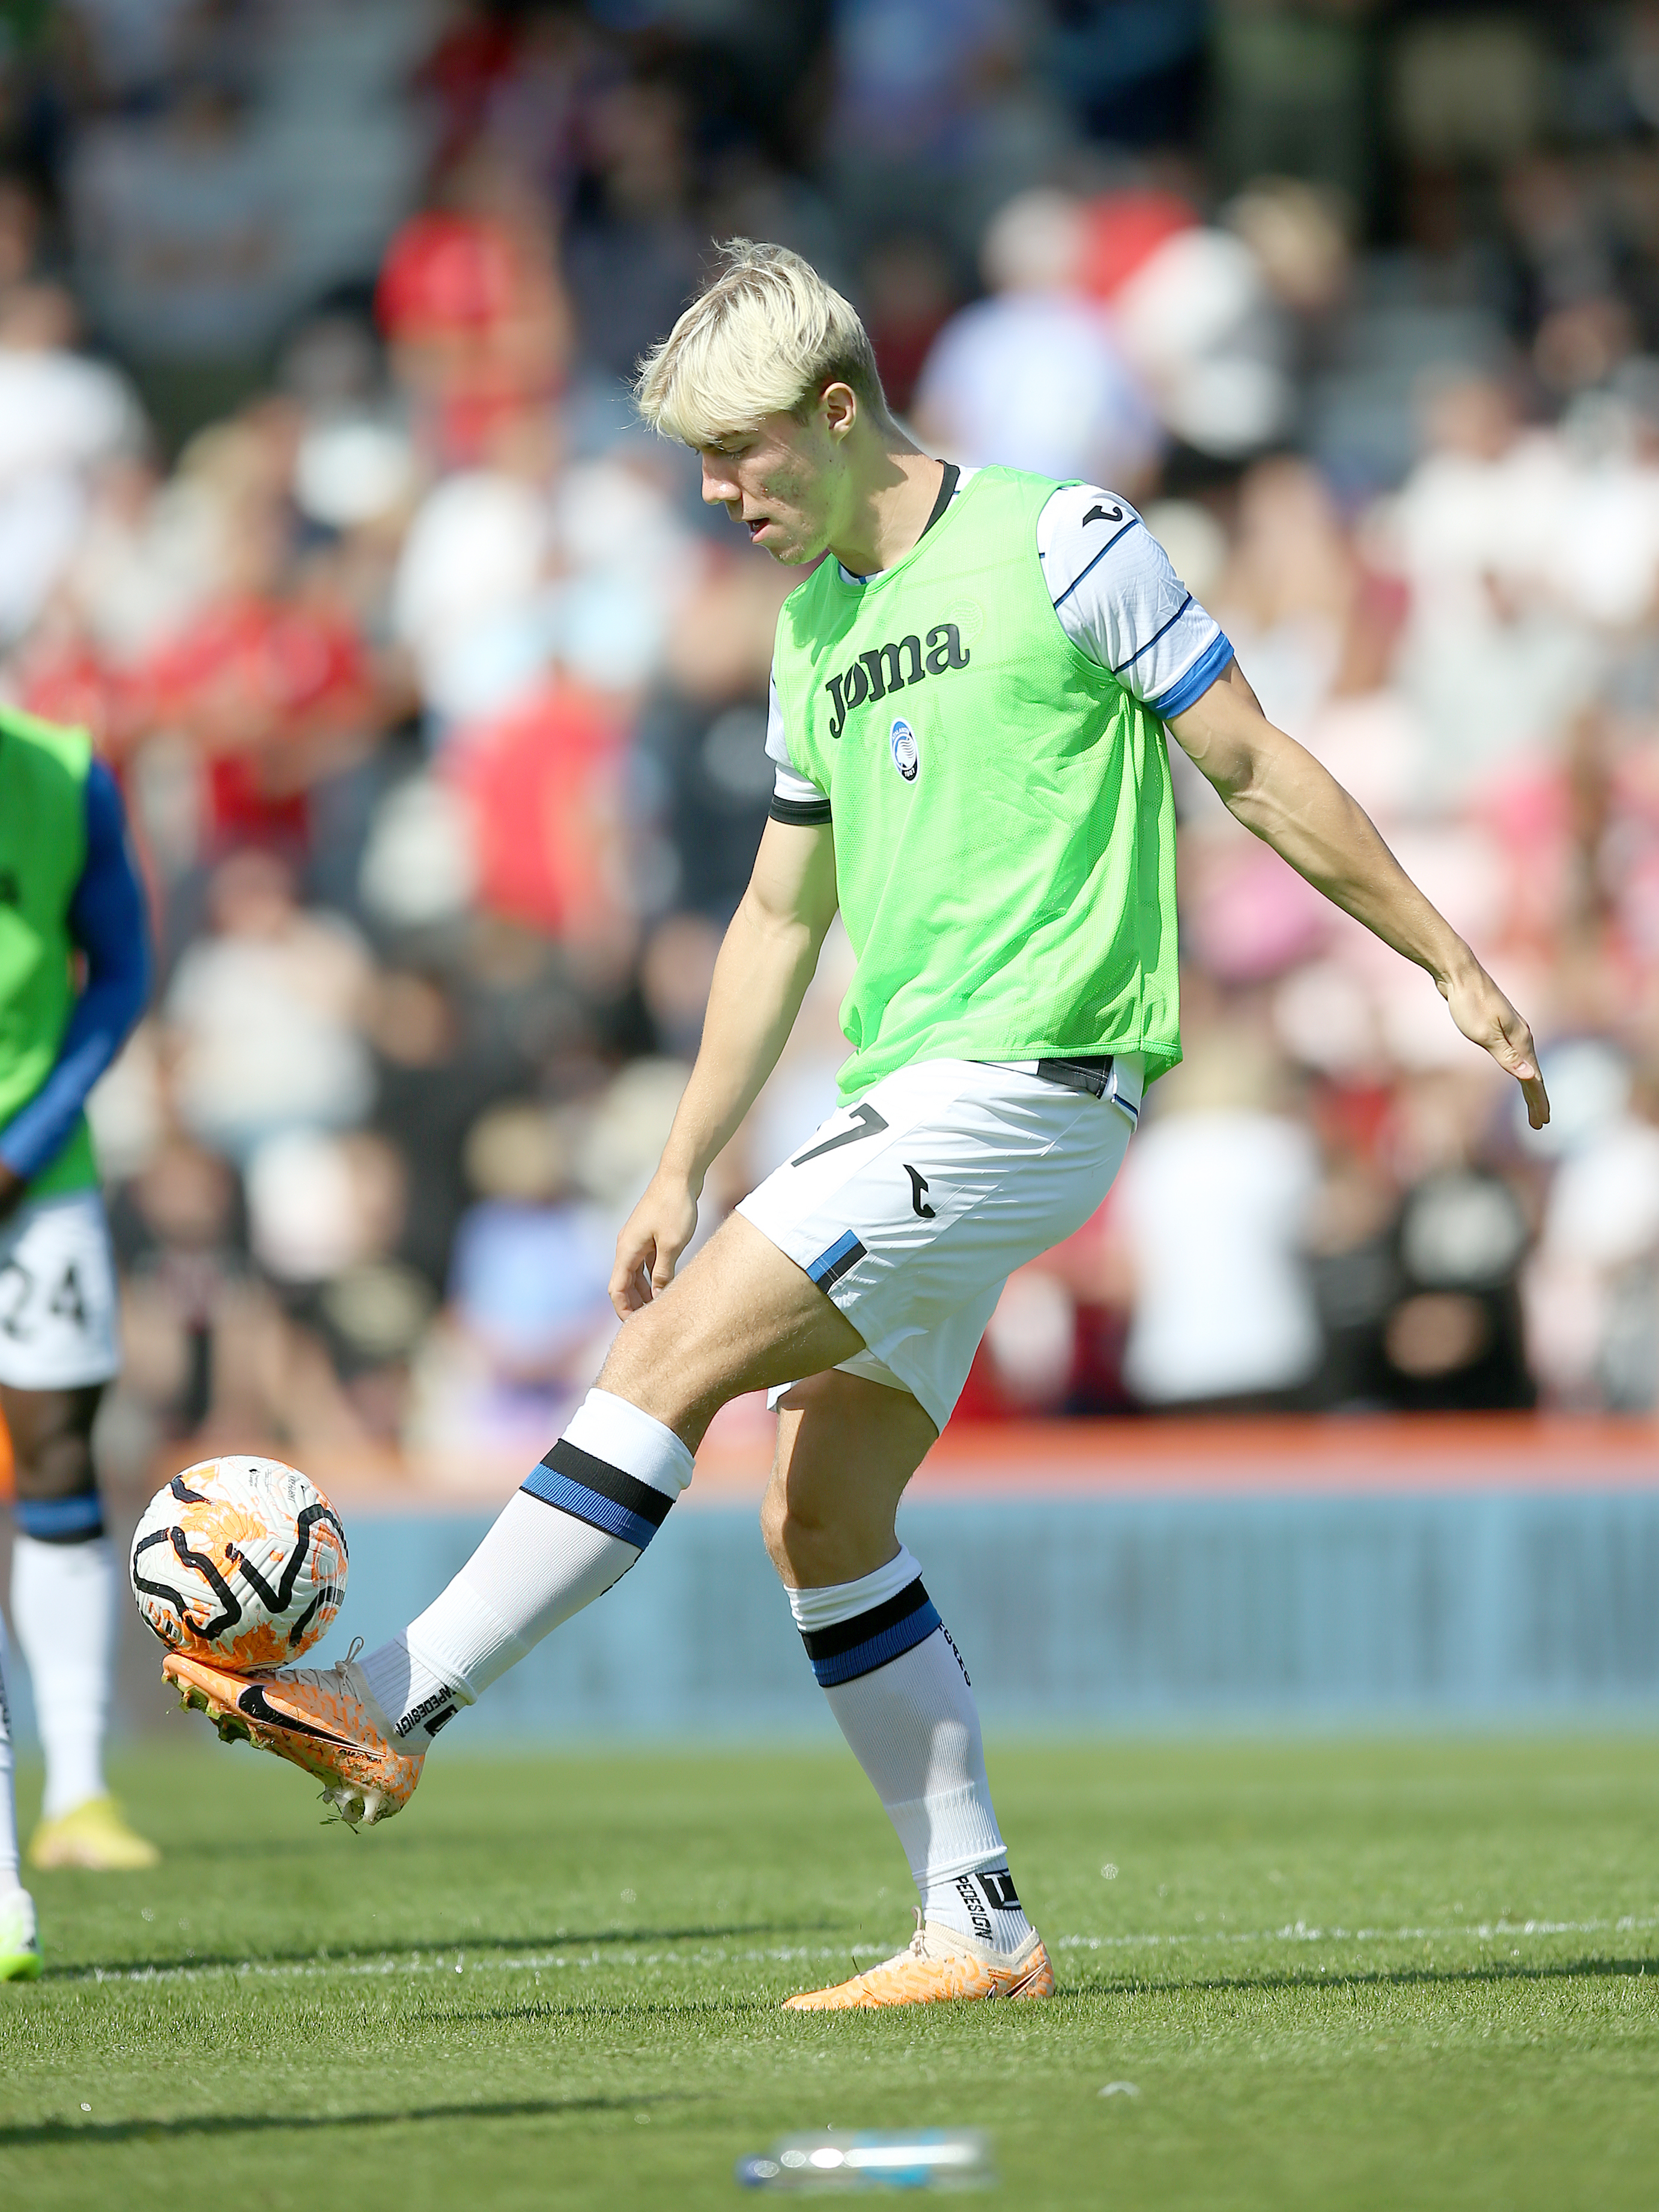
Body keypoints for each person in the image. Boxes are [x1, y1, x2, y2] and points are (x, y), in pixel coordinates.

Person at [162, 242, 1550, 2010]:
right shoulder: (812, 626)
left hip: (1032, 1077)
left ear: (838, 411)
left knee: (669, 1355)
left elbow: (1255, 763)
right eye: (695, 469)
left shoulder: (1068, 540)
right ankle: (974, 1924)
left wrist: (1449, 959)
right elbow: (772, 920)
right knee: (818, 1509)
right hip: (910, 1095)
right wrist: (681, 1156)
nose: (721, 496)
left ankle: (393, 1692)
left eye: (739, 456)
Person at [0, 705, 154, 1982]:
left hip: (32, 1170)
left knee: (54, 1453)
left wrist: (26, 1134)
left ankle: (81, 1789)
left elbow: (125, 969)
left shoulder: (62, 770)